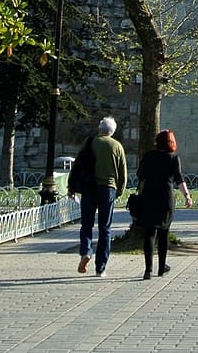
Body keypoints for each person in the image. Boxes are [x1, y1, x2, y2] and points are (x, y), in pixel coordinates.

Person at [69, 116, 127, 277]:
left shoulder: (89, 142)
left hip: (88, 188)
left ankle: (86, 251)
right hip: (108, 189)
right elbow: (123, 173)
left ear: (100, 129)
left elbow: (77, 165)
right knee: (105, 228)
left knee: (86, 224)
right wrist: (119, 191)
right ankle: (100, 268)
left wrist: (71, 186)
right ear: (112, 131)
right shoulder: (117, 146)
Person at [135, 128, 192, 279]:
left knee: (149, 233)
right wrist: (187, 196)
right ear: (172, 142)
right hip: (165, 198)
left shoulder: (148, 156)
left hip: (149, 196)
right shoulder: (173, 158)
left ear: (157, 142)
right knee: (163, 232)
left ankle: (148, 269)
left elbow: (140, 175)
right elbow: (179, 179)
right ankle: (161, 267)